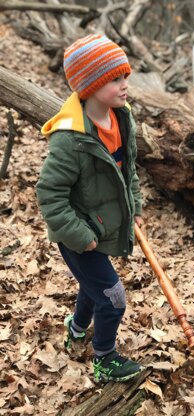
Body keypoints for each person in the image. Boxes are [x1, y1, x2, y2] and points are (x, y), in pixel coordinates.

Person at [36, 34, 145, 382]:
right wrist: (80, 236)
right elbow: (50, 194)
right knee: (113, 297)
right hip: (78, 235)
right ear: (92, 84)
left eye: (125, 76)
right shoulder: (70, 139)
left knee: (92, 287)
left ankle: (77, 328)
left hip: (101, 226)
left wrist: (136, 206)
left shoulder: (121, 118)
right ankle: (104, 359)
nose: (126, 85)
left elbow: (128, 170)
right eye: (116, 79)